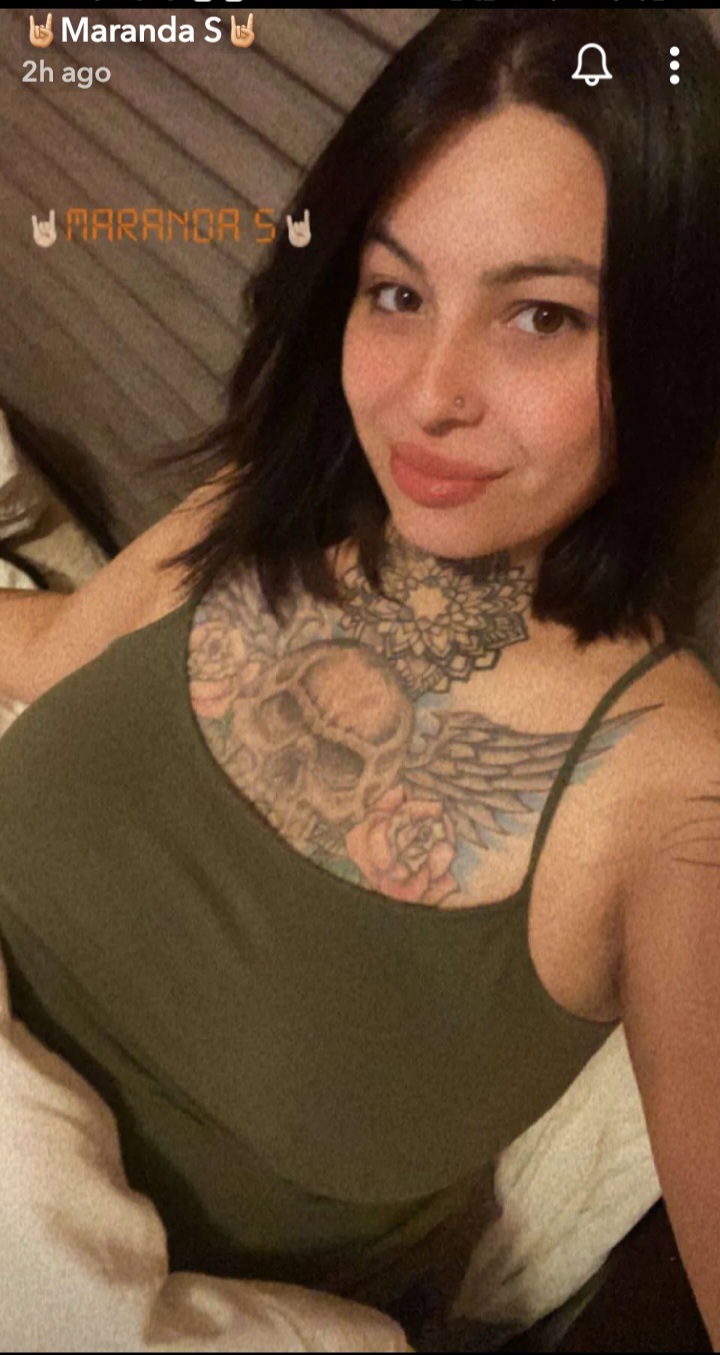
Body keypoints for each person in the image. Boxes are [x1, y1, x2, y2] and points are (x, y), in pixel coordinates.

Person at [1, 9, 720, 1351]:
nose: (427, 395)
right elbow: (47, 647)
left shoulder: (667, 789)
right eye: (396, 292)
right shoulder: (272, 508)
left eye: (543, 315)